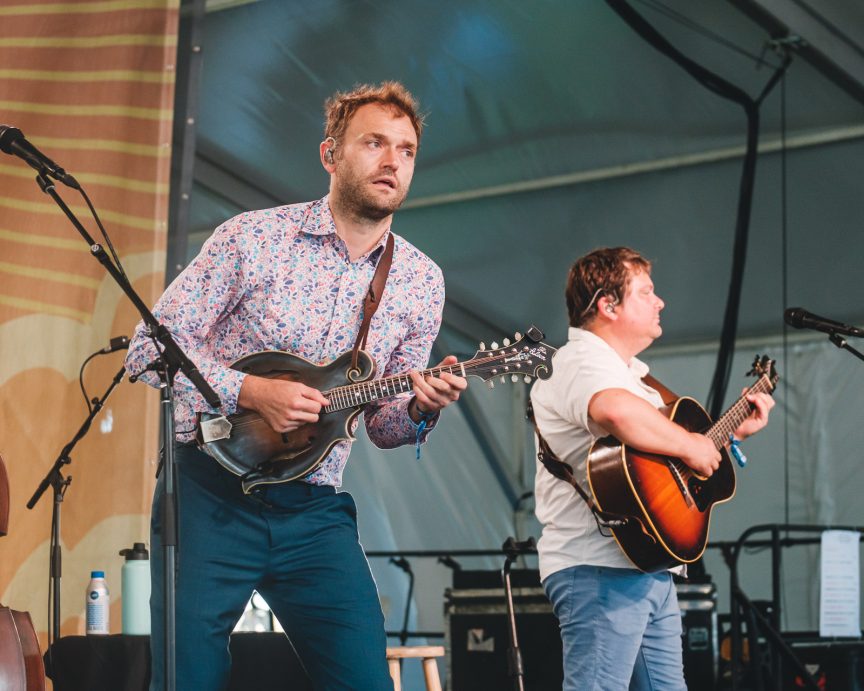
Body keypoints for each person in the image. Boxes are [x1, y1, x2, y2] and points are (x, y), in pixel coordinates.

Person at [125, 81, 467, 690]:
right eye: (374, 143)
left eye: (407, 150)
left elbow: (385, 427)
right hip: (210, 493)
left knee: (364, 679)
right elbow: (149, 349)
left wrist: (418, 404)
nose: (393, 161)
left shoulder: (421, 281)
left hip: (314, 510)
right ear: (329, 155)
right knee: (187, 679)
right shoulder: (251, 238)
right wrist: (251, 393)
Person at [529, 247, 774, 690]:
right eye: (647, 292)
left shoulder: (634, 376)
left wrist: (730, 435)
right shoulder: (581, 361)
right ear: (608, 305)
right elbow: (616, 413)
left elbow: (664, 459)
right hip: (598, 566)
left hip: (641, 563)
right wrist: (690, 444)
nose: (660, 301)